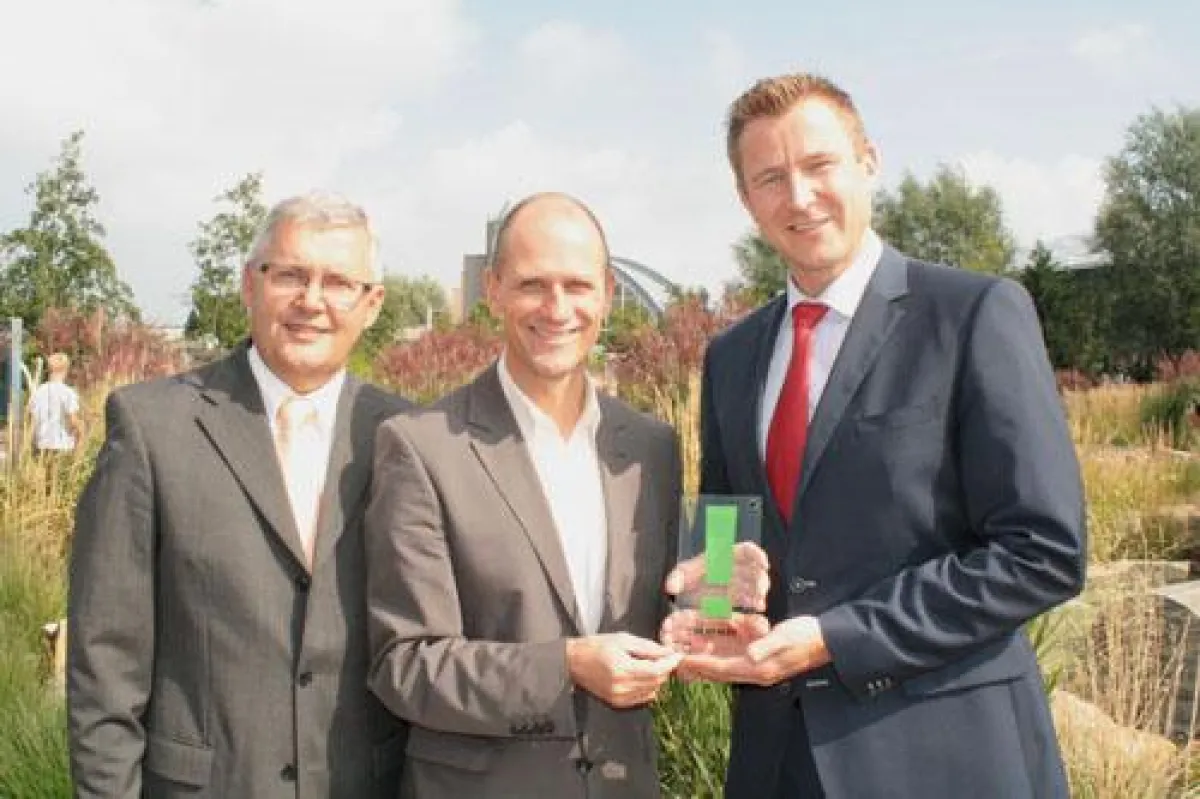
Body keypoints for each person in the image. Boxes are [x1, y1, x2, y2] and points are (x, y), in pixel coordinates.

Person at [663, 73, 1086, 798]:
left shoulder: (974, 314)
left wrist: (838, 637)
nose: (799, 197)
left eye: (819, 165)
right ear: (746, 199)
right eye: (771, 178)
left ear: (868, 162)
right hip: (778, 761)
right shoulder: (730, 356)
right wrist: (710, 613)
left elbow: (1043, 551)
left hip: (944, 758)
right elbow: (729, 526)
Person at [68, 192, 412, 798]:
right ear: (250, 284)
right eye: (291, 275)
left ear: (372, 304)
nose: (312, 301)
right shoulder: (152, 429)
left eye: (338, 282)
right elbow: (105, 660)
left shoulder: (406, 437)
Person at [366, 193, 687, 798]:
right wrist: (565, 668)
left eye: (578, 285)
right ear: (493, 290)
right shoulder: (422, 447)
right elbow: (405, 663)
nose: (557, 308)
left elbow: (668, 615)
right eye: (533, 285)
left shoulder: (652, 448)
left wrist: (718, 601)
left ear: (608, 292)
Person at [28, 351, 83, 453]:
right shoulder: (68, 393)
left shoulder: (38, 392)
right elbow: (73, 420)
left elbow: (33, 421)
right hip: (62, 446)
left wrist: (30, 445)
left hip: (41, 447)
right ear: (65, 370)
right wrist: (81, 432)